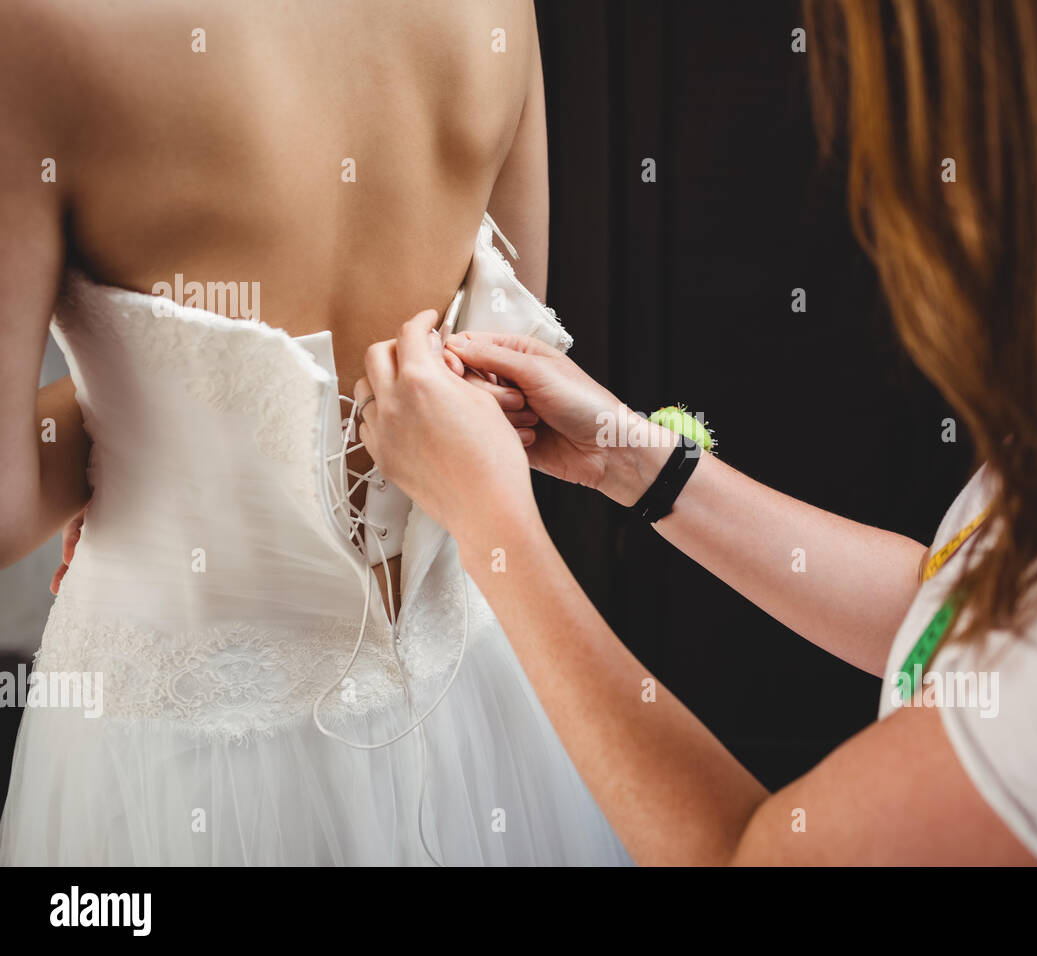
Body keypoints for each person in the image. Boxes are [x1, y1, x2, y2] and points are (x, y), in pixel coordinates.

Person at [349, 0, 1037, 865]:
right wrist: (634, 463)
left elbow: (747, 856)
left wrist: (496, 534)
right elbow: (954, 631)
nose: (889, 194)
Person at [0, 0, 628, 865]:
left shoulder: (37, 27)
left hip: (177, 757)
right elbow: (499, 384)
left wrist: (142, 407)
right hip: (478, 714)